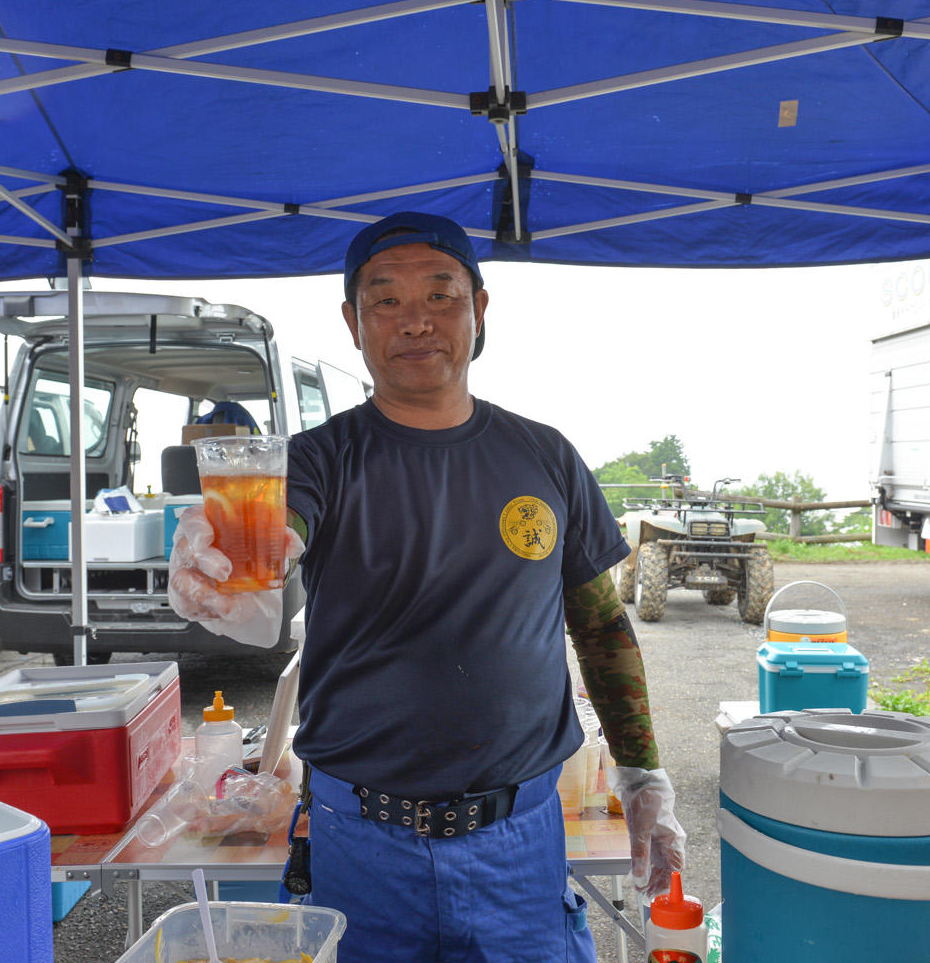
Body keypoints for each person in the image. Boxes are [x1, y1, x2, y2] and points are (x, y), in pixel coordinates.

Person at [169, 211, 684, 962]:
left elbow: (602, 626)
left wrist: (642, 774)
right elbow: (278, 524)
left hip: (520, 846)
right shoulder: (317, 458)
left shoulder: (546, 456)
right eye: (385, 299)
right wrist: (222, 546)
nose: (416, 321)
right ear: (353, 322)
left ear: (480, 308)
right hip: (361, 851)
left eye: (441, 294)